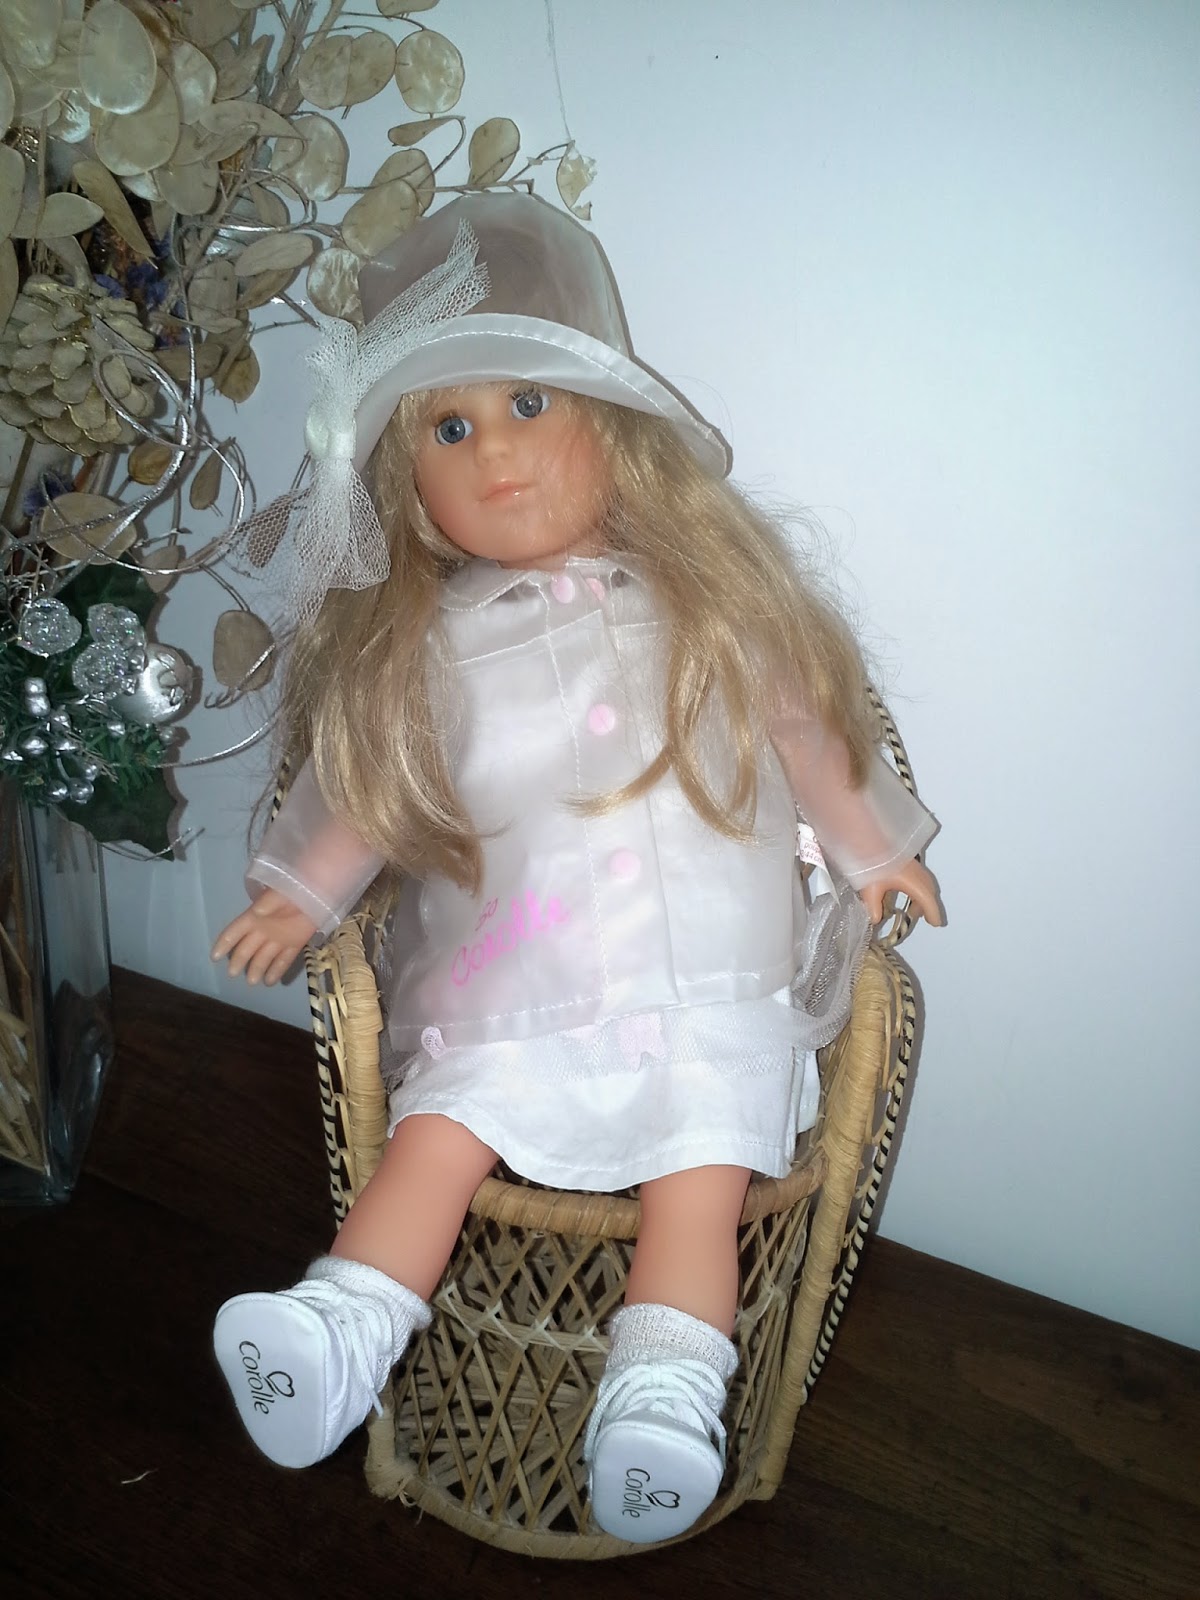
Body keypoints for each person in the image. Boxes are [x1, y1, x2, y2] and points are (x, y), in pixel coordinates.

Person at [210, 192, 943, 1544]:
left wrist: (875, 852)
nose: (495, 453)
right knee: (441, 1131)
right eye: (449, 429)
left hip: (712, 971)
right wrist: (296, 895)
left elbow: (808, 725)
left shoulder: (712, 605)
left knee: (702, 1166)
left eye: (529, 404)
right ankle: (339, 1328)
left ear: (614, 426)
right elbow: (364, 784)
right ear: (409, 486)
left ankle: (662, 1397)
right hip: (510, 971)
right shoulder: (421, 649)